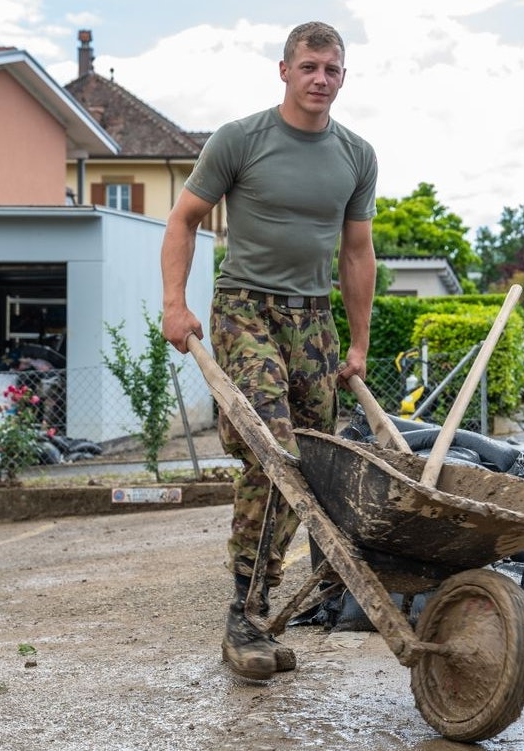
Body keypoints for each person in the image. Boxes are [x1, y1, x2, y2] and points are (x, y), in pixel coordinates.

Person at [159, 21, 377, 680]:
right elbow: (182, 220)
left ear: (343, 76)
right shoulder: (240, 139)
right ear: (283, 70)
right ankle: (245, 614)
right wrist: (175, 303)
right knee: (272, 448)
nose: (320, 79)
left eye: (331, 69)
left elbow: (356, 251)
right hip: (244, 307)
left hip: (312, 319)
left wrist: (359, 341)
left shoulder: (355, 154)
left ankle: (325, 582)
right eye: (309, 66)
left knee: (318, 453)